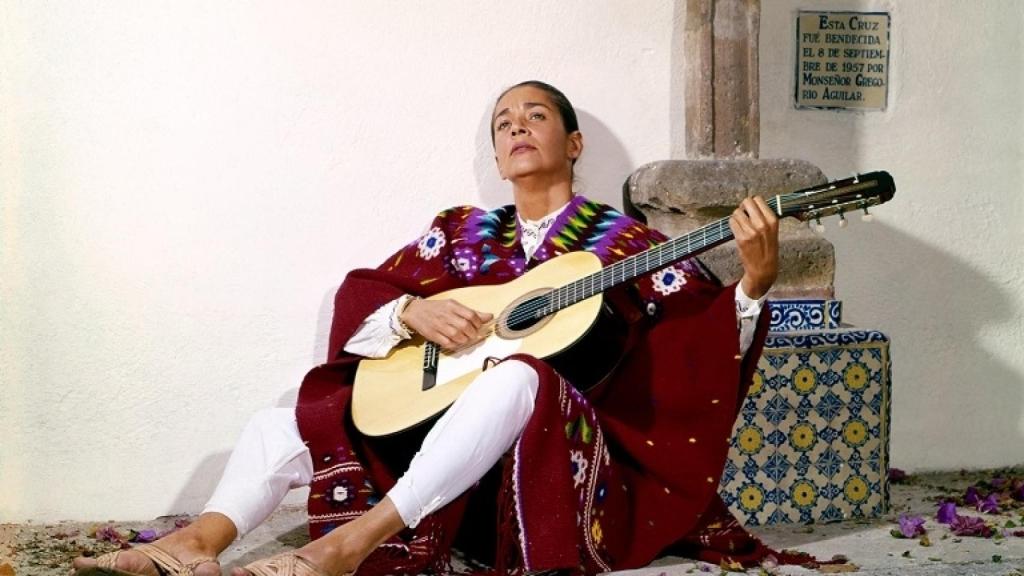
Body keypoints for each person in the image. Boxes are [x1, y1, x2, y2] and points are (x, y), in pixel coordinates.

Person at [73, 81, 781, 576]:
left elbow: (692, 345)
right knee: (284, 419)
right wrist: (409, 311)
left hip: (546, 474)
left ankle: (353, 544)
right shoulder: (460, 232)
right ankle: (200, 540)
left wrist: (751, 281)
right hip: (439, 453)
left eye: (534, 116)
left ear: (573, 142)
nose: (515, 129)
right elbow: (367, 297)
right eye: (503, 123)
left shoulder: (623, 243)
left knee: (519, 376)